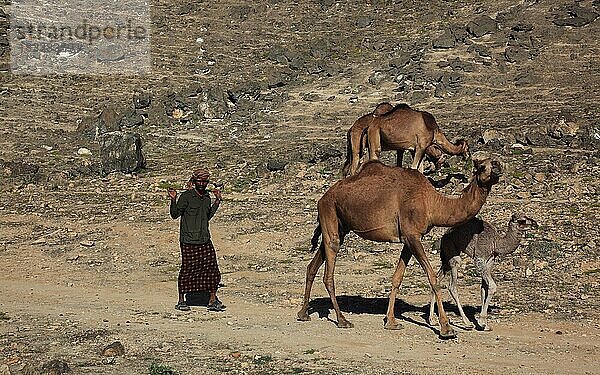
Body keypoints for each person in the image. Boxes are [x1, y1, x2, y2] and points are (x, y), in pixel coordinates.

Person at [168, 168, 225, 312]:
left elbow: (207, 216)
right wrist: (173, 199)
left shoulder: (206, 197)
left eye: (205, 181)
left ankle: (212, 300)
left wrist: (217, 201)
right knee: (188, 270)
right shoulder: (186, 196)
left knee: (212, 269)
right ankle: (181, 300)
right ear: (194, 181)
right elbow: (175, 215)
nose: (203, 183)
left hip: (204, 239)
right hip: (188, 240)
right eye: (200, 180)